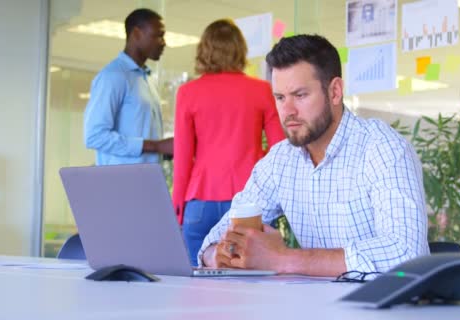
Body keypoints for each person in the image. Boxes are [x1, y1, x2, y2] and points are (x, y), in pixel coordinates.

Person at [199, 34, 429, 276]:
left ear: (335, 92)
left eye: (300, 95)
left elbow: (406, 253)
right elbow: (215, 238)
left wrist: (282, 259)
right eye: (280, 98)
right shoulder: (281, 160)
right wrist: (218, 254)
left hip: (379, 308)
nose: (287, 111)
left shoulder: (382, 149)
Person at [173, 19, 284, 266]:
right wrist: (254, 155)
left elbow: (182, 159)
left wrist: (177, 209)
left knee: (194, 285)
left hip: (200, 199)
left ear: (204, 51)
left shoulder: (188, 92)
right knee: (254, 286)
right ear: (240, 50)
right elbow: (280, 149)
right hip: (250, 201)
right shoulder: (262, 90)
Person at [84, 8, 173, 166]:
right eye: (158, 35)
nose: (163, 43)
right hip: (120, 183)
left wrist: (164, 149)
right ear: (137, 33)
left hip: (148, 179)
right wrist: (155, 146)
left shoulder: (147, 79)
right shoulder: (113, 76)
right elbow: (94, 136)